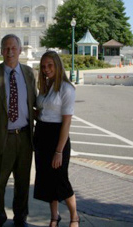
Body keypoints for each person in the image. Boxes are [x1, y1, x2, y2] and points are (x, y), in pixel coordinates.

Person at [0, 34, 37, 227]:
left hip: (25, 138)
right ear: (1, 51)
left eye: (13, 48)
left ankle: (20, 218)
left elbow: (34, 104)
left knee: (22, 183)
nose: (9, 52)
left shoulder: (29, 73)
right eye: (6, 48)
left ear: (20, 50)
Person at [34, 51, 80, 227]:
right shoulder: (45, 88)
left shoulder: (66, 89)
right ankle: (54, 217)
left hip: (57, 138)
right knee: (47, 180)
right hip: (42, 136)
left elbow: (66, 123)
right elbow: (42, 113)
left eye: (50, 65)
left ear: (58, 65)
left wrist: (59, 151)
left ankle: (74, 216)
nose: (46, 69)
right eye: (43, 66)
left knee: (61, 180)